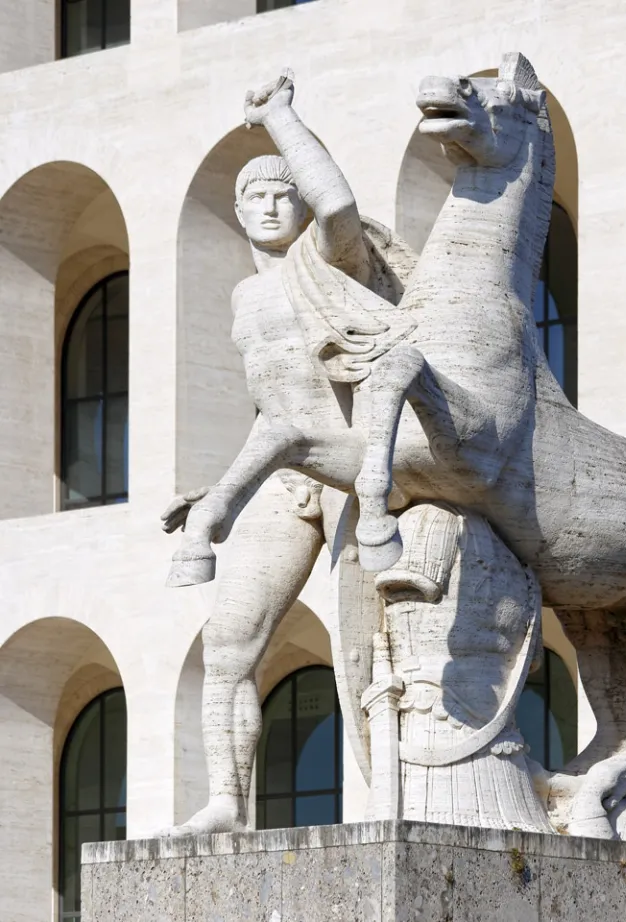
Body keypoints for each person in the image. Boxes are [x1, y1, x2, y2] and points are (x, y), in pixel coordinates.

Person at [160, 71, 413, 835]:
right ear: (237, 215)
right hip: (286, 476)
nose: (271, 207)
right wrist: (211, 488)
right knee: (228, 641)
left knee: (362, 653)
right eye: (256, 200)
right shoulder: (244, 297)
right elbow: (272, 412)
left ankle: (389, 804)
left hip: (352, 465)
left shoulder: (331, 262)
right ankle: (229, 803)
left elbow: (339, 204)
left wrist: (281, 122)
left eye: (282, 195)